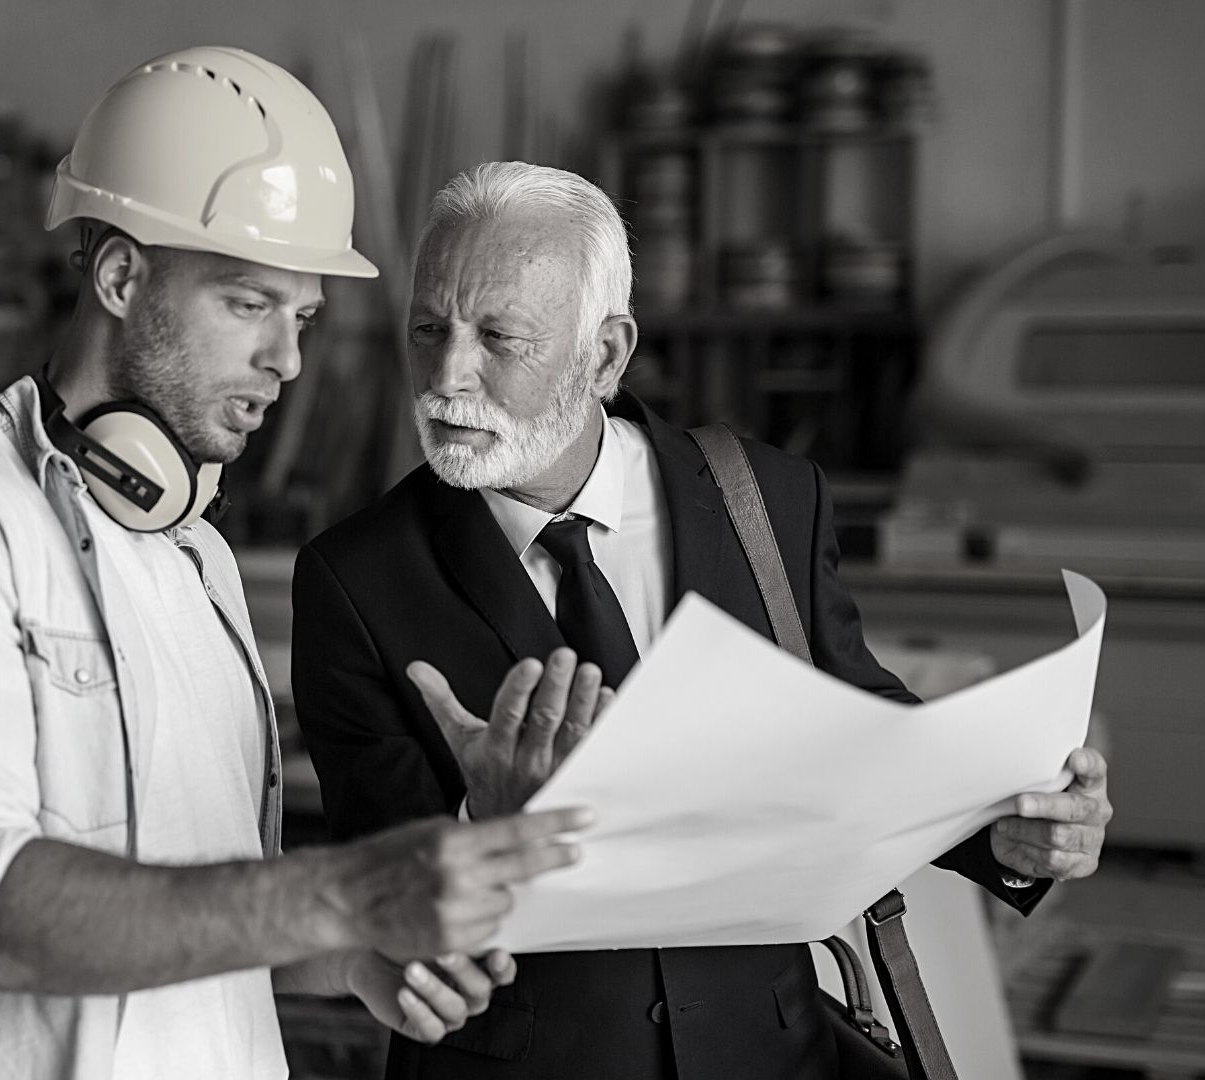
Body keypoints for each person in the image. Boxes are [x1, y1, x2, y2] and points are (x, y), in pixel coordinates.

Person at [0, 53, 593, 1080]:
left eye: (301, 318)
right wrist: (345, 892)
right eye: (250, 303)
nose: (288, 362)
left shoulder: (193, 551)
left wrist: (349, 954)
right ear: (121, 277)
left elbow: (203, 907)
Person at [290, 160, 1114, 1079]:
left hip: (764, 1051)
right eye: (428, 330)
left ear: (605, 355)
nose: (448, 375)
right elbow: (369, 888)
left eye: (499, 338)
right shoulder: (356, 576)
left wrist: (1004, 828)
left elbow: (863, 735)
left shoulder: (763, 500)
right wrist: (481, 820)